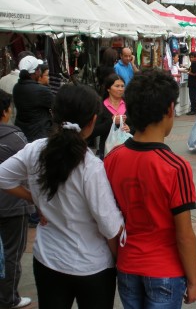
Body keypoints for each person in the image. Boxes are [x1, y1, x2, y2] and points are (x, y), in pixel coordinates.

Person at [0, 84, 124, 309]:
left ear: (53, 114)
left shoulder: (35, 150)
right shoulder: (91, 166)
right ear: (93, 121)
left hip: (48, 261)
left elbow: (3, 178)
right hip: (92, 267)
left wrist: (34, 199)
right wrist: (118, 261)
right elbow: (110, 227)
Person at [104, 70, 196, 308]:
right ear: (170, 109)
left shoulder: (112, 158)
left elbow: (107, 220)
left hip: (127, 267)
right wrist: (194, 280)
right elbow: (184, 234)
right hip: (164, 270)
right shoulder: (176, 167)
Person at [0, 89, 33, 309]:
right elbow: (31, 172)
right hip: (12, 205)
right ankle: (8, 298)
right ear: (6, 111)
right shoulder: (15, 137)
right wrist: (34, 200)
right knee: (12, 253)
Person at [13, 55, 54, 143]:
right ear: (37, 72)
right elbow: (56, 106)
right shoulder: (41, 90)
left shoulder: (16, 87)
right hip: (39, 135)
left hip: (22, 132)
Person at [89, 74, 131, 159]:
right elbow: (93, 131)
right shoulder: (101, 106)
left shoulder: (129, 105)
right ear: (108, 88)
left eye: (122, 86)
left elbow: (138, 126)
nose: (120, 89)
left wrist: (130, 129)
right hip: (107, 151)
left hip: (127, 150)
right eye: (117, 86)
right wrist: (112, 122)